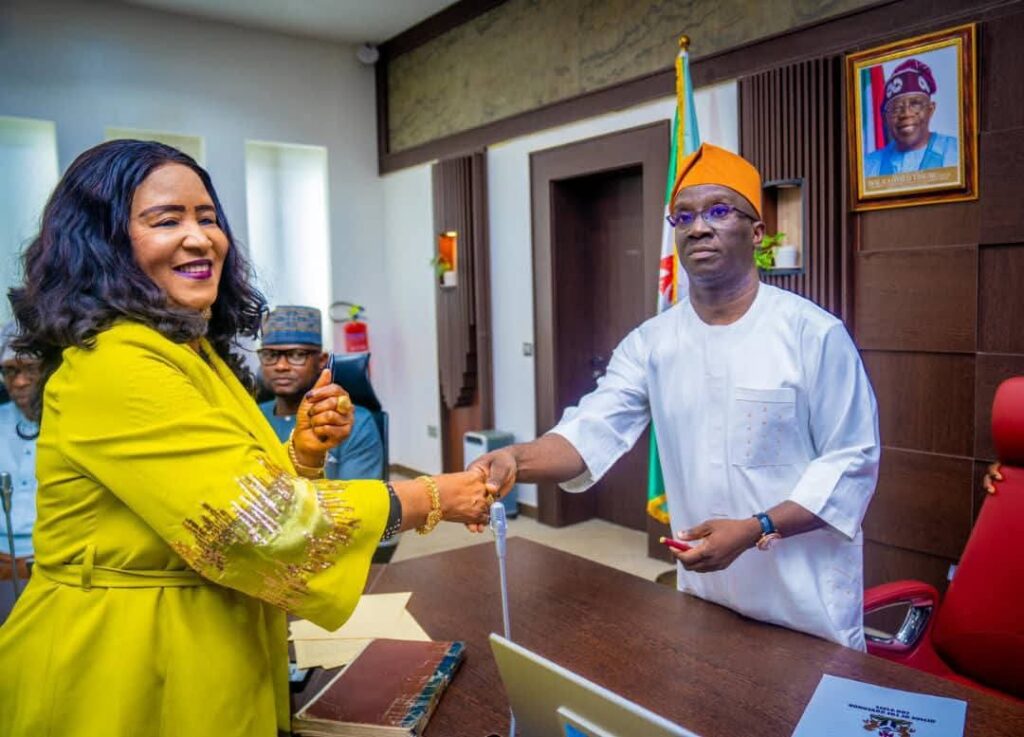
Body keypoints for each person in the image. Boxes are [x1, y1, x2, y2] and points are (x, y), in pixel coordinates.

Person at [0, 140, 493, 737]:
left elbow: (218, 491)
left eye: (208, 218)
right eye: (167, 220)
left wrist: (302, 454)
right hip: (122, 657)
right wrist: (433, 497)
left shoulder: (187, 350)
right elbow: (257, 523)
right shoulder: (119, 363)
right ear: (103, 244)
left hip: (203, 631)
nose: (200, 238)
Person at [471, 143, 880, 650]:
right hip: (706, 595)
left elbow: (851, 462)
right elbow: (590, 431)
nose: (698, 227)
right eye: (683, 216)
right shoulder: (652, 343)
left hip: (804, 608)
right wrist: (516, 458)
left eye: (718, 211)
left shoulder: (812, 334)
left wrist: (756, 528)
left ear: (757, 232)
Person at [258, 305, 384, 480]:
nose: (281, 366)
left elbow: (356, 496)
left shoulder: (350, 423)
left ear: (321, 361)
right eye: (270, 355)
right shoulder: (250, 417)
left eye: (297, 355)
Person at [0, 322, 41, 623]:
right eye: (10, 372)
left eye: (30, 369)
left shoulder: (73, 423)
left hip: (51, 564)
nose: (20, 382)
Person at [864, 58, 958, 177]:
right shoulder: (867, 166)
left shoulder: (958, 153)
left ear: (930, 109)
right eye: (896, 108)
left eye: (915, 104)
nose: (906, 113)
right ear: (885, 118)